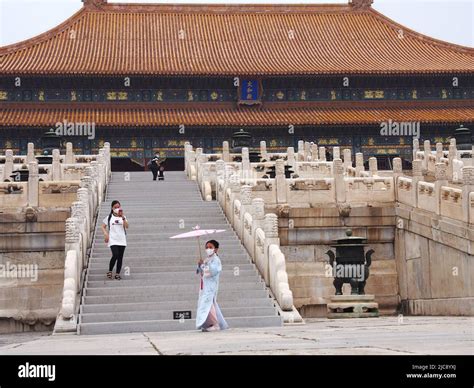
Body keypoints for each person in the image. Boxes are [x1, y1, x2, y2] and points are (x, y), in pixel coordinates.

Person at [195, 240, 228, 332]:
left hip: (211, 286)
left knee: (208, 304)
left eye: (210, 247)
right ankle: (210, 323)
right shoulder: (207, 259)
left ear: (216, 249)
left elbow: (212, 272)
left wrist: (203, 266)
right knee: (207, 304)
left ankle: (216, 324)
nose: (208, 249)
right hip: (205, 286)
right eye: (206, 247)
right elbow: (201, 272)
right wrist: (200, 265)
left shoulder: (216, 260)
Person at [101, 200, 128, 280]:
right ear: (112, 208)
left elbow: (127, 226)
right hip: (113, 239)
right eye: (115, 207)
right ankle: (110, 271)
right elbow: (102, 226)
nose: (117, 208)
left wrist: (123, 218)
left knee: (120, 257)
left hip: (122, 239)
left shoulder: (123, 217)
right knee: (115, 254)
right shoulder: (109, 217)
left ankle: (117, 273)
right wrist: (105, 233)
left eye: (118, 207)